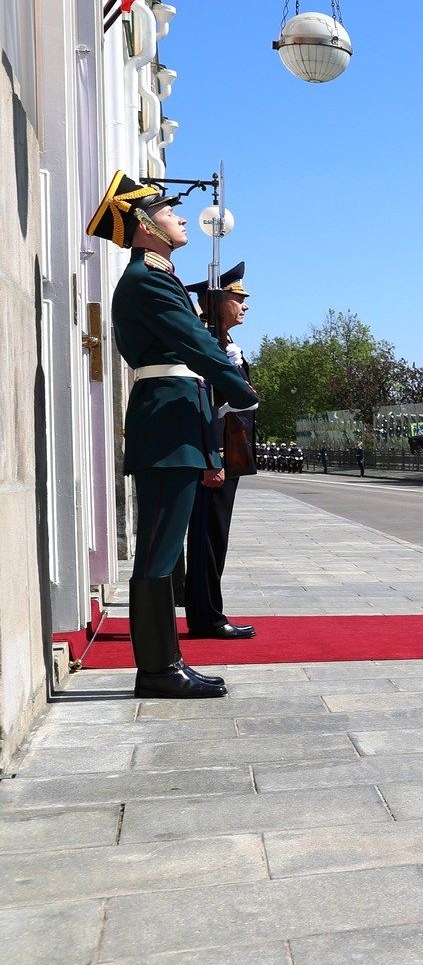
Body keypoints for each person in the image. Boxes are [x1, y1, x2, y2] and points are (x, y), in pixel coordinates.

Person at [89, 171, 255, 698]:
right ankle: (158, 669)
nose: (180, 217)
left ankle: (166, 662)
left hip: (174, 421)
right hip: (165, 425)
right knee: (159, 553)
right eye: (167, 210)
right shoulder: (147, 280)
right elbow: (194, 344)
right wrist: (240, 389)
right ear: (143, 222)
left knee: (162, 551)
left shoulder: (158, 276)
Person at [181, 262, 258, 639]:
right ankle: (206, 616)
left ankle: (207, 609)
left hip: (228, 452)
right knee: (207, 536)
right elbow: (204, 406)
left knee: (215, 534)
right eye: (237, 297)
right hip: (214, 453)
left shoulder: (227, 346)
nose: (244, 304)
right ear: (215, 301)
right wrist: (212, 457)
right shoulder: (206, 345)